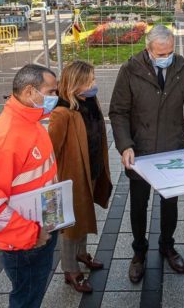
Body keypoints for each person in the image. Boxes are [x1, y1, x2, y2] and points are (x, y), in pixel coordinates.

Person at [109, 25, 184, 282]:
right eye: (161, 53)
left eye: (170, 52)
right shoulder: (130, 70)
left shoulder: (182, 68)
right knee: (139, 206)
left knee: (170, 203)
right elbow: (118, 112)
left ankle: (167, 245)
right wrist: (125, 144)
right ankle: (139, 252)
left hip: (172, 149)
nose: (167, 57)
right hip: (139, 152)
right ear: (148, 50)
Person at [0, 64, 59, 308]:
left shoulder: (31, 121)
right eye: (51, 92)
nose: (55, 98)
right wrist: (32, 235)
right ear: (31, 92)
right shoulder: (6, 140)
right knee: (26, 300)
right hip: (27, 241)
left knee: (32, 294)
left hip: (41, 228)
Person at [48, 61, 112, 294]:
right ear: (74, 85)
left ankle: (81, 254)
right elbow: (51, 150)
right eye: (89, 81)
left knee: (83, 214)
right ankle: (70, 269)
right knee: (71, 225)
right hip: (71, 177)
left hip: (90, 170)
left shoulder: (89, 101)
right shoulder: (62, 112)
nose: (93, 84)